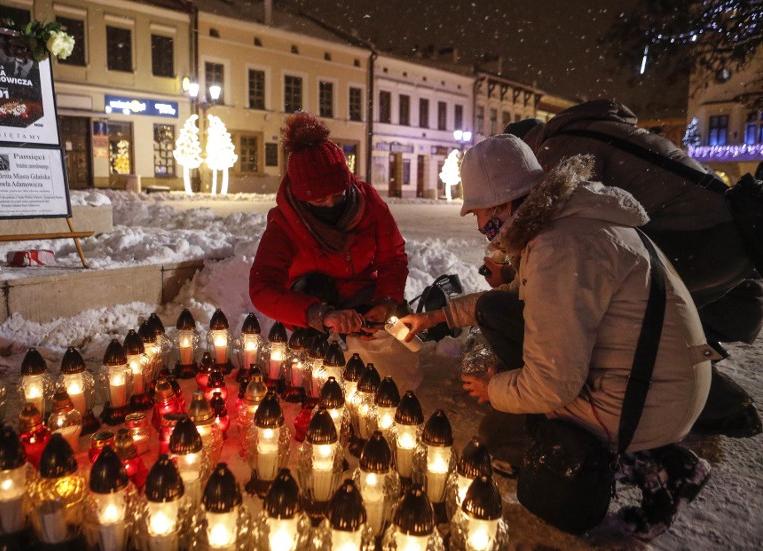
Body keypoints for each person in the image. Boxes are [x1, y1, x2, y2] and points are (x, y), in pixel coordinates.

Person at [400, 135, 714, 538]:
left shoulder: (560, 246)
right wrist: (438, 317)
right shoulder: (566, 222)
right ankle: (645, 455)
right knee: (498, 314)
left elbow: (553, 383)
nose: (479, 226)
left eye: (478, 212)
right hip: (663, 382)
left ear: (502, 204)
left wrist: (494, 387)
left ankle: (644, 462)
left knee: (551, 493)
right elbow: (510, 300)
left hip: (650, 400)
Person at [505, 100, 762, 438]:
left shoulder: (558, 148)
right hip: (728, 234)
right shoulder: (588, 129)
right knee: (663, 324)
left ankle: (715, 407)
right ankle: (722, 403)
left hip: (701, 240)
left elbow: (566, 230)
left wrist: (517, 269)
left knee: (629, 322)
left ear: (525, 152)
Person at [249, 111, 409, 341]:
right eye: (319, 200)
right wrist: (319, 315)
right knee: (316, 288)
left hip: (362, 296)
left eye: (338, 195)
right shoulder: (284, 223)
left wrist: (385, 301)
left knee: (397, 329)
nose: (330, 204)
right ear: (302, 196)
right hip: (312, 303)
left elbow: (393, 257)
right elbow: (262, 287)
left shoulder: (369, 204)